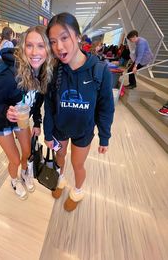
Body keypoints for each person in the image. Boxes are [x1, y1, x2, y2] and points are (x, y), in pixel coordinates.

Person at [44, 12, 114, 212]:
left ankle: (77, 191)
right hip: (60, 128)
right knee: (60, 158)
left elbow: (106, 107)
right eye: (53, 41)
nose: (59, 47)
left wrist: (104, 137)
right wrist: (48, 133)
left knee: (77, 164)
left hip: (83, 131)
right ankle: (60, 180)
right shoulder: (54, 70)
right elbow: (49, 105)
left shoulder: (99, 71)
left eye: (65, 38)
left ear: (78, 37)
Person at [0, 26, 54, 200]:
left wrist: (37, 122)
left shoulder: (43, 75)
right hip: (2, 121)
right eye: (29, 45)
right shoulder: (11, 76)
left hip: (21, 120)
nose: (34, 52)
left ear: (48, 49)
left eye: (40, 46)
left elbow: (37, 103)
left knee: (27, 152)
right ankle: (15, 180)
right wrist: (5, 111)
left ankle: (25, 174)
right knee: (15, 159)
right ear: (23, 47)